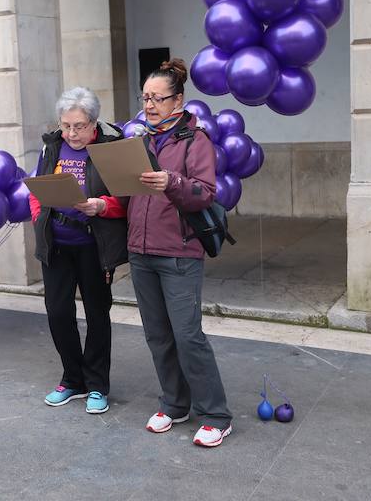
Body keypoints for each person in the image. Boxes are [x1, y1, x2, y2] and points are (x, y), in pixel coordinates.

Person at [127, 59, 233, 448]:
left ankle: (216, 414)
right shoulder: (140, 139)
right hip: (140, 250)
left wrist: (171, 181)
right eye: (145, 98)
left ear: (178, 100)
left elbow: (205, 192)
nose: (150, 105)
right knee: (158, 335)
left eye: (158, 98)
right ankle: (174, 404)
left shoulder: (195, 139)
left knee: (188, 336)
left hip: (179, 253)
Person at [30, 86, 128, 414]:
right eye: (66, 125)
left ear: (94, 123)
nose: (72, 133)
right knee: (58, 313)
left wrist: (101, 206)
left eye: (79, 126)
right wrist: (38, 217)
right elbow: (37, 187)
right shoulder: (52, 146)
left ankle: (97, 384)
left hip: (93, 245)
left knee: (97, 315)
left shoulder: (111, 147)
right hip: (57, 244)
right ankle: (73, 380)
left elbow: (128, 199)